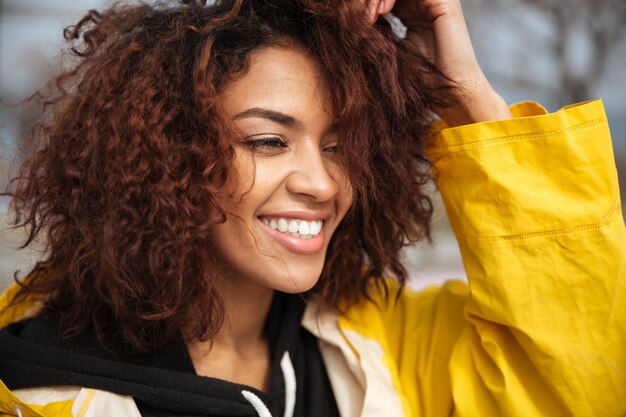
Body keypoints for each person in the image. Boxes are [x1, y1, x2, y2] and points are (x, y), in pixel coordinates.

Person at [0, 0, 623, 416]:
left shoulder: (385, 343)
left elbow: (586, 376)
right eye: (269, 141)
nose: (324, 184)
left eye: (340, 146)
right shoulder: (33, 386)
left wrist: (461, 97)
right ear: (163, 156)